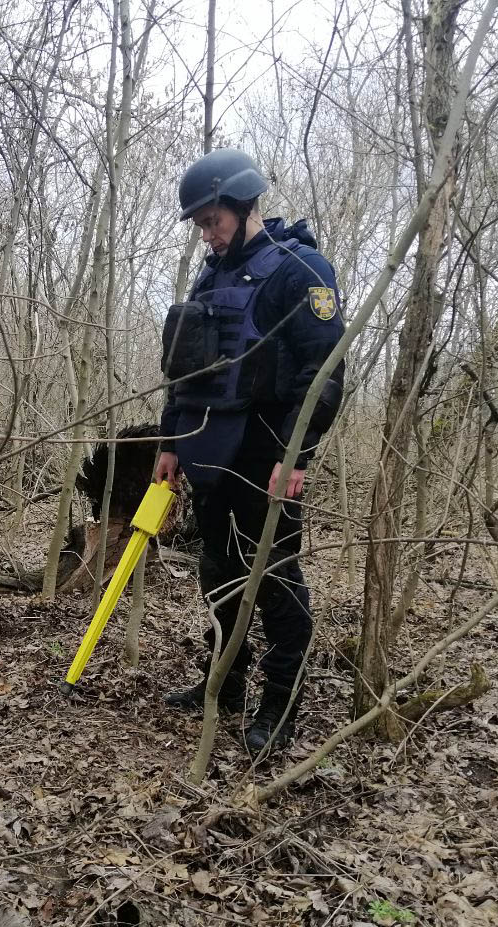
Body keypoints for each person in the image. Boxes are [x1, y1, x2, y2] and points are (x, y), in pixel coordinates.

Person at [156, 148, 344, 755]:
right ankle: (224, 685)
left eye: (214, 221)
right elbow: (185, 369)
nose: (208, 235)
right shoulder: (210, 275)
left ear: (244, 205)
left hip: (268, 455)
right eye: (201, 225)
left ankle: (280, 704)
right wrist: (170, 443)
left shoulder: (300, 269)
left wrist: (297, 455)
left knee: (275, 578)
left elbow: (325, 373)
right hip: (209, 448)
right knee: (217, 573)